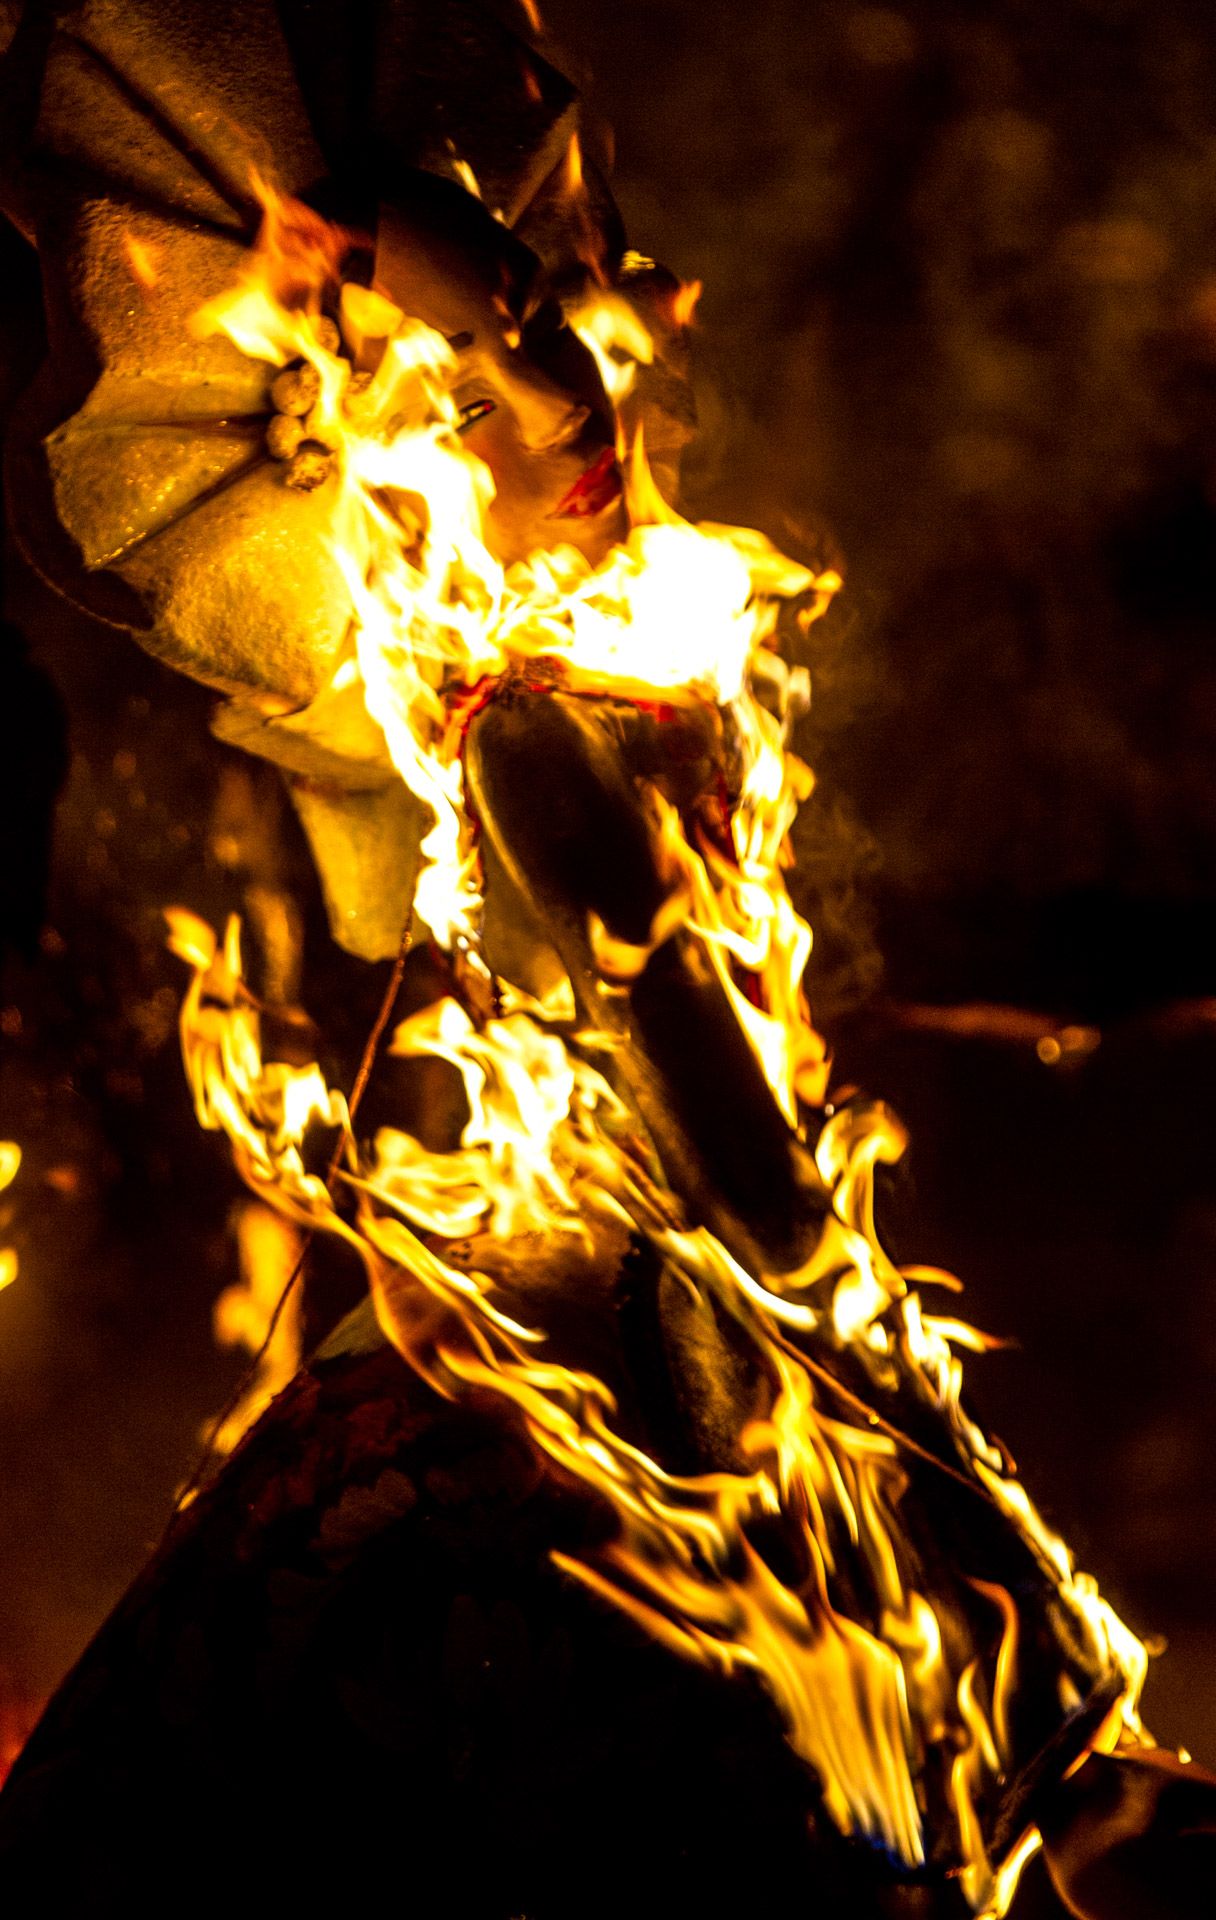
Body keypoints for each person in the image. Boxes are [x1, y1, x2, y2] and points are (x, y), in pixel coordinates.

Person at [1, 4, 1213, 1916]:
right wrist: (805, 1244)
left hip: (624, 1379)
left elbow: (703, 1001)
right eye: (488, 394)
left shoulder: (650, 644)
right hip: (570, 1365)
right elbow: (645, 980)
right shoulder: (522, 735)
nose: (576, 411)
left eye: (569, 341)